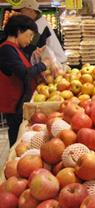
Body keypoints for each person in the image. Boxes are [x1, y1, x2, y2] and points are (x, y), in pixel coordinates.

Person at [0, 15, 50, 147]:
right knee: (17, 138)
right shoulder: (6, 49)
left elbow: (24, 68)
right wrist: (43, 64)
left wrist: (35, 58)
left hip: (21, 102)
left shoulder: (15, 49)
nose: (30, 39)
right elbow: (24, 73)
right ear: (18, 31)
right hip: (15, 104)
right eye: (29, 35)